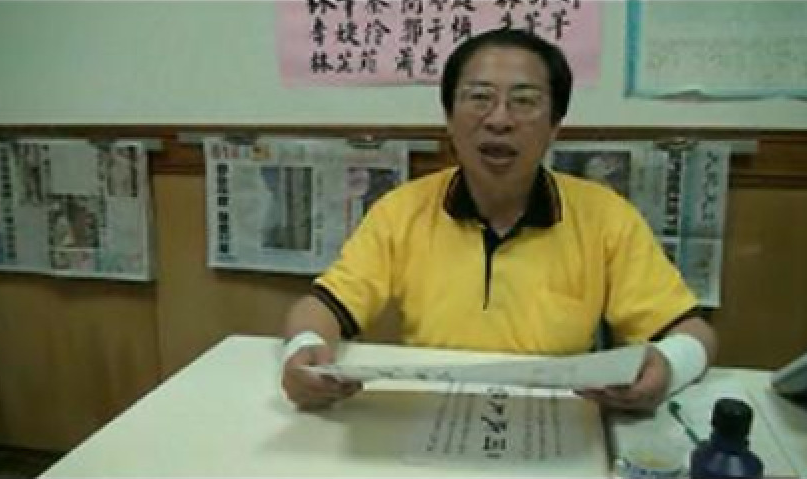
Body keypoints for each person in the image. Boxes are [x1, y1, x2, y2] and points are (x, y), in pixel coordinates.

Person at [281, 28, 717, 412]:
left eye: (524, 101)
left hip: (559, 419)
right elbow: (321, 307)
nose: (500, 120)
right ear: (449, 118)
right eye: (479, 98)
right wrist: (304, 350)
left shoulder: (604, 216)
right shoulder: (402, 210)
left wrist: (670, 367)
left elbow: (692, 330)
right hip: (430, 412)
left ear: (555, 126)